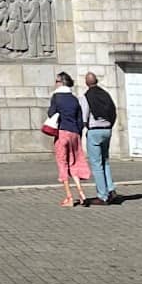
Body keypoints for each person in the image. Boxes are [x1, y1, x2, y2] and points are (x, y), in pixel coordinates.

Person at [47, 70, 90, 207]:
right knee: (74, 163)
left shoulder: (56, 97)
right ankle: (81, 193)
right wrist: (78, 134)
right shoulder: (74, 98)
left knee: (62, 164)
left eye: (56, 81)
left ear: (61, 83)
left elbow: (51, 113)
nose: (55, 84)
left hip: (62, 132)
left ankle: (69, 197)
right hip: (74, 134)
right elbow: (80, 119)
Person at [83, 71, 120, 205]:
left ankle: (102, 195)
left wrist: (86, 127)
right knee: (105, 161)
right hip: (107, 129)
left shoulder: (87, 96)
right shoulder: (105, 94)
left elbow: (84, 115)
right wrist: (110, 125)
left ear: (86, 83)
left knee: (96, 164)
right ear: (96, 81)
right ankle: (111, 189)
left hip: (94, 131)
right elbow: (113, 111)